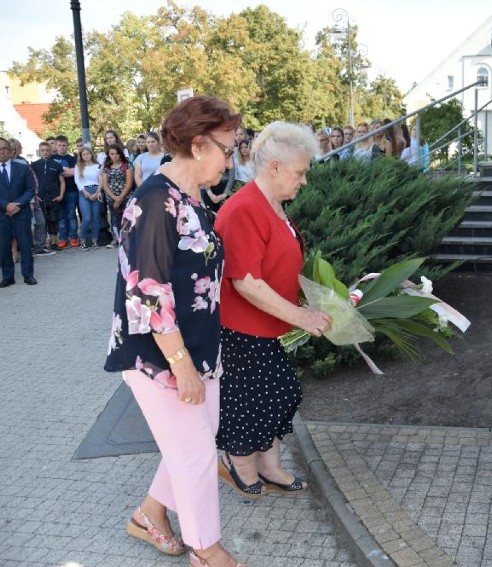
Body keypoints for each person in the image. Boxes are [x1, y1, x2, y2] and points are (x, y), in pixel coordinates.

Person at [104, 95, 246, 567]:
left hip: (200, 349)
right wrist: (181, 365)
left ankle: (149, 515)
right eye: (229, 148)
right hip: (161, 357)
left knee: (196, 444)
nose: (232, 158)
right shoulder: (153, 202)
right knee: (196, 458)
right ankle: (207, 550)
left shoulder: (190, 198)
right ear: (200, 144)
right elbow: (147, 292)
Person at [214, 122, 331, 500]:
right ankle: (240, 463)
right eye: (300, 172)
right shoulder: (244, 209)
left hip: (266, 327)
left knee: (276, 396)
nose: (305, 181)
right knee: (254, 401)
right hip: (240, 329)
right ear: (275, 167)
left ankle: (269, 466)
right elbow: (246, 282)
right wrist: (303, 318)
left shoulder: (271, 205)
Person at [0, 137, 37, 286]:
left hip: (21, 213)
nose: (1, 152)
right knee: (3, 246)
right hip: (2, 214)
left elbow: (30, 189)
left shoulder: (22, 167)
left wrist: (18, 205)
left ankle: (28, 275)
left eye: (4, 149)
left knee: (25, 244)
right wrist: (6, 206)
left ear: (10, 151)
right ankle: (8, 277)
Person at [31, 142, 65, 254]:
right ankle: (42, 244)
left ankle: (54, 242)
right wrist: (35, 195)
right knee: (42, 221)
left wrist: (61, 195)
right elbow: (31, 181)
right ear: (39, 151)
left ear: (51, 151)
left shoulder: (56, 164)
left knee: (54, 220)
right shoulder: (34, 165)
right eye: (43, 150)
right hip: (40, 197)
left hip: (54, 197)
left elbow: (62, 181)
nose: (45, 152)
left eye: (47, 150)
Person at [99, 143, 134, 248]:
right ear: (108, 155)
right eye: (112, 154)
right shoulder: (106, 166)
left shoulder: (127, 164)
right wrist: (114, 198)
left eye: (117, 154)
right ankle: (120, 240)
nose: (114, 156)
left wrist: (120, 198)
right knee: (116, 219)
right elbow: (104, 184)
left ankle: (130, 240)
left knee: (128, 219)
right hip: (112, 198)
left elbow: (129, 183)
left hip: (126, 197)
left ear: (121, 154)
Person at [54, 135, 80, 249]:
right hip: (57, 191)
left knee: (71, 215)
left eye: (64, 145)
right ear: (55, 145)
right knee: (61, 216)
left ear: (67, 145)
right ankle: (63, 238)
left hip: (71, 190)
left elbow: (74, 172)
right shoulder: (52, 159)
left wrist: (62, 172)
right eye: (59, 145)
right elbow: (56, 173)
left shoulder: (72, 159)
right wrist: (67, 171)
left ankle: (73, 237)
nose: (62, 148)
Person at [74, 146, 102, 250]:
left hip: (96, 191)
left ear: (91, 154)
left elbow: (101, 180)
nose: (86, 156)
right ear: (81, 156)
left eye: (88, 153)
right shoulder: (78, 166)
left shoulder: (98, 166)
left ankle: (95, 240)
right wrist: (84, 191)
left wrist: (98, 191)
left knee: (96, 218)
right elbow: (77, 180)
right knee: (87, 218)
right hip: (84, 191)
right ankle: (83, 240)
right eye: (84, 154)